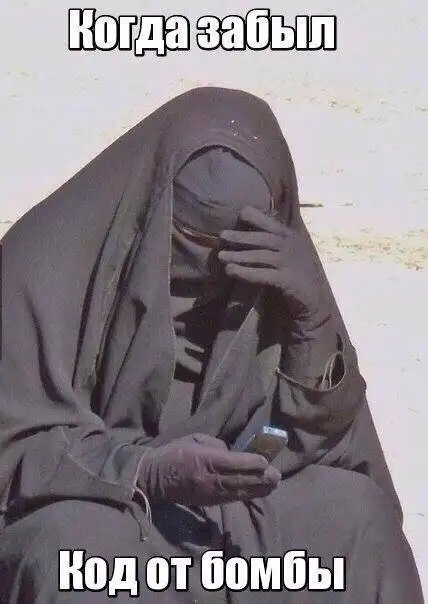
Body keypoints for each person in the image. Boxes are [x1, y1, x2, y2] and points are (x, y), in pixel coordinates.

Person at [0, 87, 423, 603]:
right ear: (151, 202)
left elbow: (325, 445)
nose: (209, 268)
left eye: (237, 248)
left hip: (236, 512)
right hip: (104, 503)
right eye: (187, 238)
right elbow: (15, 449)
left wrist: (311, 321)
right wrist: (146, 470)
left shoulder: (283, 276)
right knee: (66, 556)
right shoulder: (40, 268)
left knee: (361, 524)